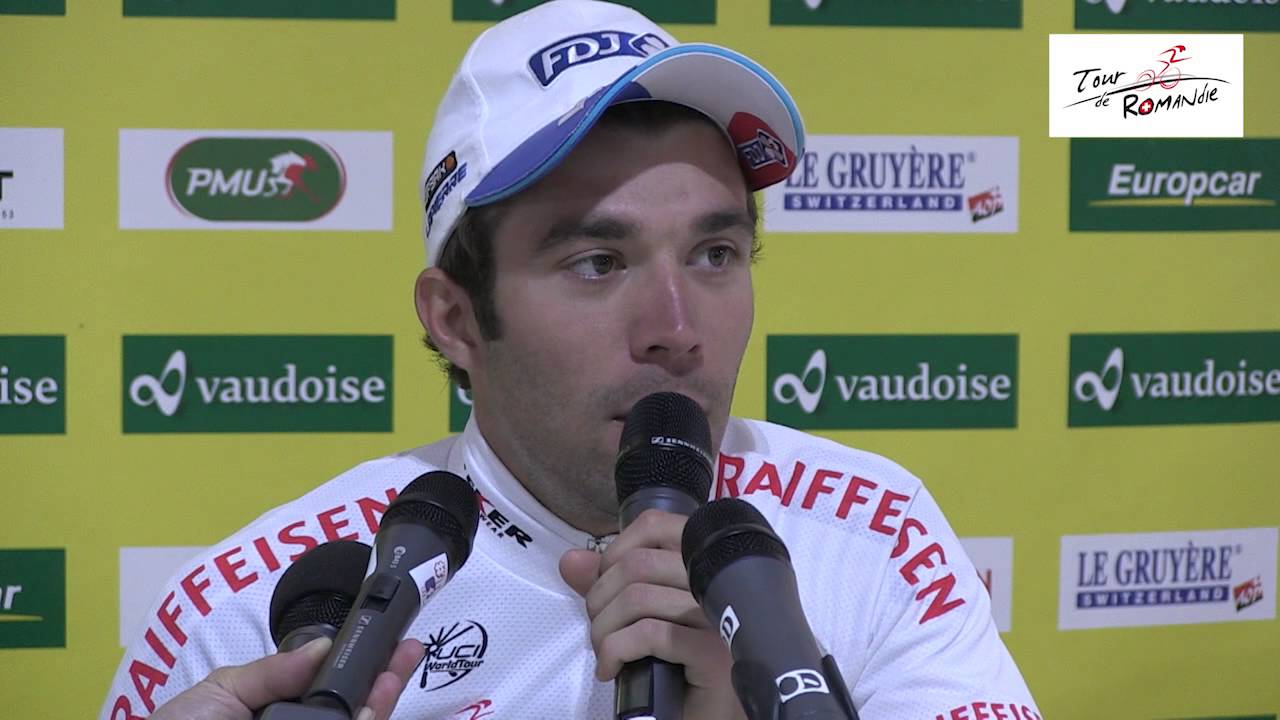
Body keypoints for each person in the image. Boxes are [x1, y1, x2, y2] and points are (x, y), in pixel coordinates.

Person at [102, 2, 1042, 719]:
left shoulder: (875, 535)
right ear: (456, 319)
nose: (677, 327)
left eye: (715, 254)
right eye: (597, 262)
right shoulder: (248, 617)